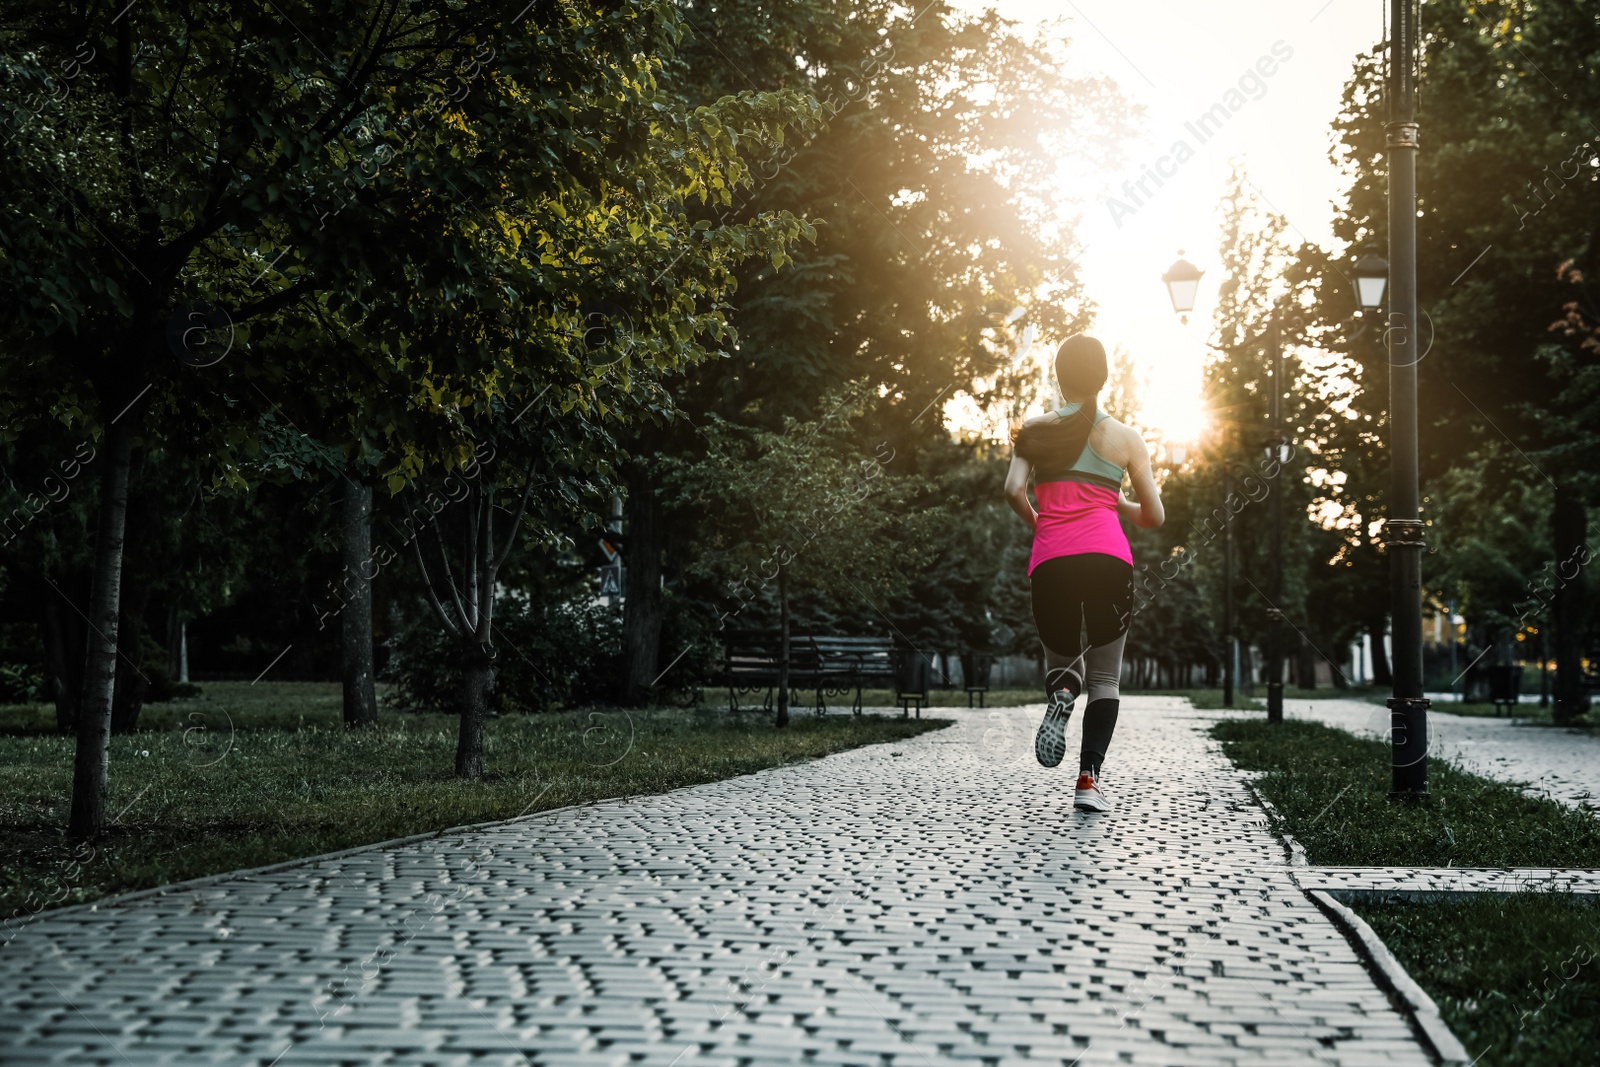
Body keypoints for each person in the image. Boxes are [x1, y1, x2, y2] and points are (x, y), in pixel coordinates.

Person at [1004, 334, 1164, 812]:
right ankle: (1088, 781)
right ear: (1104, 377)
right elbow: (1154, 517)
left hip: (1051, 560)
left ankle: (1064, 691)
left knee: (1062, 666)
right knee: (1107, 679)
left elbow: (1013, 489)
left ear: (1059, 376)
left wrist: (1043, 526)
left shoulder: (1035, 429)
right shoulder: (1127, 438)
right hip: (1108, 560)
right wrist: (1115, 500)